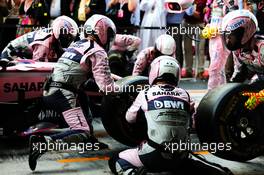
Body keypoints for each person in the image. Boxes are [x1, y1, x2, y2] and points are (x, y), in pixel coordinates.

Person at [108, 55, 232, 175]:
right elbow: (193, 124)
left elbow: (129, 119)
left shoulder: (146, 93)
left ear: (154, 73)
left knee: (116, 160)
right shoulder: (185, 94)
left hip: (154, 155)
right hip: (180, 156)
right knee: (187, 164)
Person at [28, 14, 118, 171]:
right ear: (103, 32)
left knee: (82, 96)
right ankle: (43, 143)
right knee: (80, 131)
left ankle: (89, 141)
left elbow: (95, 74)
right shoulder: (97, 51)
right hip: (63, 93)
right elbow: (106, 87)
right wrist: (125, 89)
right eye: (109, 35)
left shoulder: (78, 45)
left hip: (50, 90)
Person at [0, 15, 78, 64]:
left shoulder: (52, 35)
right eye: (67, 35)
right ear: (59, 31)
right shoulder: (44, 43)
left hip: (22, 54)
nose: (68, 38)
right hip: (10, 56)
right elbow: (39, 66)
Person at [221, 9, 263, 83]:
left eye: (231, 35)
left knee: (255, 82)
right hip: (257, 77)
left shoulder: (262, 47)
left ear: (244, 33)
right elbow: (239, 73)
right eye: (227, 36)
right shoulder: (237, 51)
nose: (228, 40)